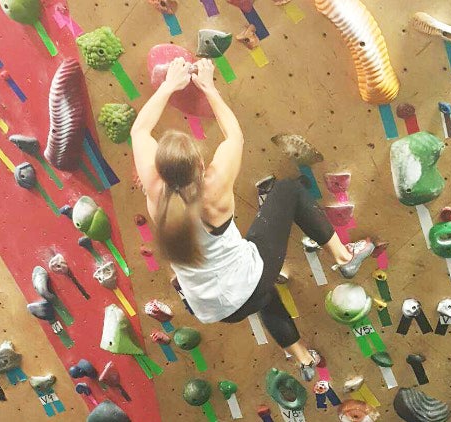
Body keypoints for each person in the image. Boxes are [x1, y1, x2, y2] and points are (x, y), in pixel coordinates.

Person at [131, 57, 375, 380]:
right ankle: (344, 256)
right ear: (201, 169)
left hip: (215, 309)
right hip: (246, 282)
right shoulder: (214, 187)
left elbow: (139, 130)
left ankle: (303, 359)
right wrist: (207, 87)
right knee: (288, 192)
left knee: (261, 296)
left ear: (158, 173)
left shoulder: (155, 194)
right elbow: (234, 137)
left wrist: (167, 86)